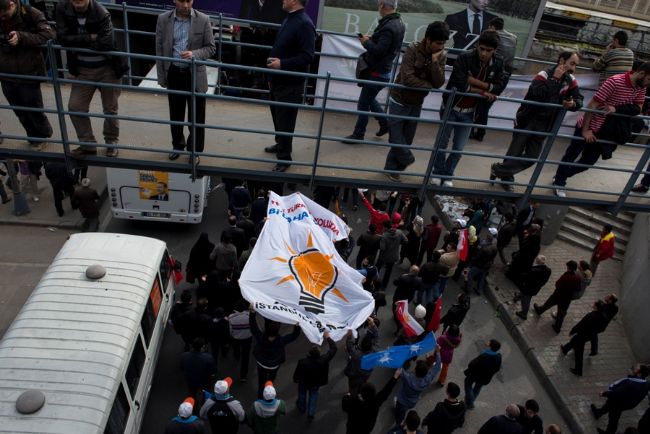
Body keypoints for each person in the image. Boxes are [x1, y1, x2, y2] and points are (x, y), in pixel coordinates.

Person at [552, 62, 650, 198]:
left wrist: (617, 108)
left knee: (587, 163)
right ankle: (559, 182)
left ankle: (560, 176)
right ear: (642, 74)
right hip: (588, 125)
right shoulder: (615, 82)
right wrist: (586, 130)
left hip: (604, 130)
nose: (648, 84)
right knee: (571, 155)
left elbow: (638, 108)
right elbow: (592, 105)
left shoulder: (641, 87)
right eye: (649, 80)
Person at [489, 51, 583, 191]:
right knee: (515, 152)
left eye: (576, 65)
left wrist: (573, 104)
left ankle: (498, 170)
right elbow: (536, 94)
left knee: (532, 157)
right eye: (572, 63)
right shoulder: (544, 75)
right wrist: (554, 81)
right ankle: (506, 179)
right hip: (528, 119)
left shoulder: (571, 80)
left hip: (545, 124)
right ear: (562, 61)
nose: (574, 68)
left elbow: (579, 99)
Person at [430, 30, 506, 187]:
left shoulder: (499, 62)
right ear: (477, 45)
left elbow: (499, 87)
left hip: (471, 112)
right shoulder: (465, 57)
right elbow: (459, 83)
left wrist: (473, 82)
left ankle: (448, 174)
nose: (484, 53)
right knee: (441, 144)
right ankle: (437, 172)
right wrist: (484, 91)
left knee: (458, 149)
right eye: (482, 49)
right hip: (452, 106)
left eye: (489, 50)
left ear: (495, 50)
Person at [55, 0, 127, 157]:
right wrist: (90, 38)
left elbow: (106, 42)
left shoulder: (101, 12)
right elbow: (61, 38)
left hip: (108, 68)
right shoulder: (62, 8)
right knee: (75, 107)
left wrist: (76, 41)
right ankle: (87, 144)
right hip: (83, 69)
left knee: (110, 109)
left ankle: (111, 142)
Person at [382, 21, 448, 181]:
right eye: (438, 43)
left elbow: (439, 82)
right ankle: (403, 161)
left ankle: (392, 168)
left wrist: (434, 63)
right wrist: (428, 86)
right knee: (396, 136)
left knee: (407, 139)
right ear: (428, 39)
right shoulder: (412, 49)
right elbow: (407, 78)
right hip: (399, 98)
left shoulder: (441, 55)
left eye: (443, 44)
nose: (440, 47)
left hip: (417, 102)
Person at [155, 0, 215, 163]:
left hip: (195, 74)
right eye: (182, 1)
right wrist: (162, 76)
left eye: (189, 1)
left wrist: (194, 54)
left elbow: (211, 48)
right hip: (174, 71)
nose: (186, 5)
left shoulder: (203, 19)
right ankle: (177, 146)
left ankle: (194, 151)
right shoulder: (163, 19)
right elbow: (159, 48)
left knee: (197, 116)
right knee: (175, 114)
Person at [262, 0, 315, 173]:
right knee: (278, 118)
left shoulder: (304, 24)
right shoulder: (291, 18)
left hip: (290, 84)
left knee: (286, 121)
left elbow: (308, 56)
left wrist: (282, 64)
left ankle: (285, 159)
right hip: (278, 81)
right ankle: (280, 145)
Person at [341, 0, 405, 144]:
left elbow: (379, 51)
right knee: (369, 100)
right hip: (382, 71)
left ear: (382, 5)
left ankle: (359, 134)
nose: (378, 7)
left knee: (363, 104)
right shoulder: (398, 22)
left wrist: (365, 42)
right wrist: (373, 39)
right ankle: (385, 124)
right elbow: (385, 46)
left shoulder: (389, 26)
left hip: (377, 72)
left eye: (378, 4)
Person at [0, 0, 54, 151]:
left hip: (28, 71)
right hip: (5, 71)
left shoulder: (31, 13)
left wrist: (22, 37)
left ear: (12, 5)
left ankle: (42, 137)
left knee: (33, 108)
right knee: (19, 110)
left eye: (4, 15)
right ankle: (32, 137)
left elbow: (49, 34)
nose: (3, 18)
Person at [470, 17, 517, 142]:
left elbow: (478, 50)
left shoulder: (491, 36)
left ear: (492, 27)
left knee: (481, 104)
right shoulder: (513, 37)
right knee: (485, 105)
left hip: (493, 72)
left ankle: (477, 131)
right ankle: (477, 131)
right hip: (505, 75)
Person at [249, 309, 300, 398]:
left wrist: (252, 313)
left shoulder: (261, 338)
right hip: (274, 365)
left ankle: (260, 397)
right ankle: (269, 392)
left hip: (262, 363)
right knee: (270, 380)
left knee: (261, 381)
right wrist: (297, 327)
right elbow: (294, 336)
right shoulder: (281, 341)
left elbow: (253, 327)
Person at [590, 364, 650, 434]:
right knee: (608, 405)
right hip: (629, 403)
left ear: (639, 374)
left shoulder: (629, 383)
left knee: (613, 418)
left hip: (619, 401)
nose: (634, 368)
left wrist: (604, 393)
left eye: (636, 369)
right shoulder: (647, 383)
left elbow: (616, 393)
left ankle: (609, 432)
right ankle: (598, 413)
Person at [292, 330, 337, 420]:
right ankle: (311, 413)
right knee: (313, 395)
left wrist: (296, 379)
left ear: (309, 354)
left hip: (304, 382)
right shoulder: (323, 360)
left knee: (302, 394)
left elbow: (297, 372)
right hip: (316, 383)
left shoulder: (303, 362)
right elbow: (333, 349)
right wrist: (327, 337)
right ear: (319, 354)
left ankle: (302, 407)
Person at [393, 351, 442, 430]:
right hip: (413, 401)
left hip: (402, 401)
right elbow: (437, 366)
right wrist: (438, 353)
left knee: (399, 416)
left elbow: (399, 368)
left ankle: (398, 426)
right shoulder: (427, 379)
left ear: (415, 370)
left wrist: (393, 354)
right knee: (402, 412)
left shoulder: (408, 378)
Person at [341, 369, 401, 434]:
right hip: (366, 429)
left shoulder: (354, 402)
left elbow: (344, 406)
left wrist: (347, 396)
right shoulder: (375, 402)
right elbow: (386, 391)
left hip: (352, 429)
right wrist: (395, 377)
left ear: (361, 395)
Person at [560, 300, 608, 376]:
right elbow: (602, 329)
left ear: (596, 307)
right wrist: (594, 332)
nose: (593, 304)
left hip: (583, 334)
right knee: (574, 341)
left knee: (579, 351)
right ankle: (565, 349)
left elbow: (581, 324)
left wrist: (573, 330)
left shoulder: (591, 315)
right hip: (589, 336)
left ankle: (578, 370)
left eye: (594, 304)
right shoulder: (604, 317)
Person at [533, 260, 582, 333]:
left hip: (558, 295)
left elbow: (557, 284)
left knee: (548, 304)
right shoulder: (578, 278)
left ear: (569, 267)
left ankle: (540, 310)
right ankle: (557, 327)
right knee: (561, 313)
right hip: (567, 298)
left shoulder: (566, 276)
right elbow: (578, 289)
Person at [463, 339, 502, 409]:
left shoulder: (485, 356)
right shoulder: (498, 357)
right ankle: (470, 402)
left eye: (489, 342)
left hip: (475, 375)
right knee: (477, 388)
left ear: (491, 346)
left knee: (468, 384)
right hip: (485, 377)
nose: (488, 342)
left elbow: (473, 364)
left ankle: (470, 402)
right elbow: (497, 368)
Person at [343, 318, 379, 395]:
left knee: (352, 386)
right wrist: (373, 325)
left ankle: (351, 394)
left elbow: (349, 346)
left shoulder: (356, 355)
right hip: (367, 374)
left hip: (355, 375)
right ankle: (360, 390)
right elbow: (376, 337)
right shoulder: (374, 352)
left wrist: (349, 336)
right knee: (363, 382)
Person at [181, 337, 217, 405]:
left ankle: (193, 405)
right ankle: (204, 403)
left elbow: (182, 368)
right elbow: (213, 370)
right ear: (202, 347)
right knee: (206, 391)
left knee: (192, 393)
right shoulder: (208, 358)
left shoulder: (184, 356)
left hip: (190, 379)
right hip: (204, 379)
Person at [515, 255, 551, 320]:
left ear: (537, 261)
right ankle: (519, 296)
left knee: (526, 300)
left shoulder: (534, 270)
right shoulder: (548, 270)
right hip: (536, 288)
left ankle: (523, 313)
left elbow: (526, 277)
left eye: (536, 260)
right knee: (524, 294)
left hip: (528, 288)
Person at [377, 220, 408, 288]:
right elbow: (406, 240)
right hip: (393, 256)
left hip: (383, 256)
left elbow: (382, 248)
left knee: (377, 268)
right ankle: (384, 286)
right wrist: (398, 243)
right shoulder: (399, 232)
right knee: (388, 272)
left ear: (386, 228)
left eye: (383, 227)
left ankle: (374, 281)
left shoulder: (384, 236)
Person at [228, 300, 253, 382]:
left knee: (236, 348)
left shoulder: (231, 317)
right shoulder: (249, 316)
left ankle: (237, 356)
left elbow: (230, 330)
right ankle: (243, 375)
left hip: (236, 338)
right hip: (247, 338)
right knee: (246, 356)